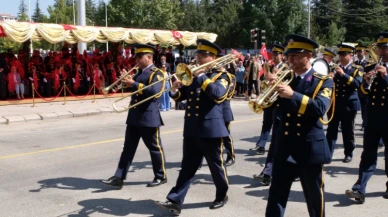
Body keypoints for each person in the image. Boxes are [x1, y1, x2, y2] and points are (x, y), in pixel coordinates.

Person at [155, 39, 230, 215]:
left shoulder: (222, 76)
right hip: (192, 129)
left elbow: (217, 95)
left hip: (211, 131)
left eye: (203, 55)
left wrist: (202, 76)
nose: (198, 58)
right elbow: (183, 96)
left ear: (212, 57)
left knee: (216, 167)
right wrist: (174, 90)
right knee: (187, 167)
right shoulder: (194, 75)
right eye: (198, 54)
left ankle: (222, 195)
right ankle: (175, 200)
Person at [265, 34, 334, 217]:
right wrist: (269, 88)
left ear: (309, 56)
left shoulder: (323, 80)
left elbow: (320, 108)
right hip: (285, 145)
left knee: (314, 197)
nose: (290, 59)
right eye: (289, 55)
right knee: (276, 196)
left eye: (295, 55)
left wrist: (292, 95)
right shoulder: (286, 78)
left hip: (309, 147)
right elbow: (271, 108)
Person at [100, 44, 167, 189]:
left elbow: (155, 92)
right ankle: (119, 177)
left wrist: (134, 83)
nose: (136, 59)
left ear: (149, 58)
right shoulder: (139, 72)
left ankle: (160, 176)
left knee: (155, 148)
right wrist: (124, 81)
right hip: (134, 116)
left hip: (148, 117)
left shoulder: (158, 73)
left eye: (139, 57)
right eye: (136, 56)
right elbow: (132, 87)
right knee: (128, 148)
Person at [345, 32, 388, 204]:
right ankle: (359, 189)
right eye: (380, 48)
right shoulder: (371, 68)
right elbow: (363, 94)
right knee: (368, 155)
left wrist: (386, 77)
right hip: (373, 119)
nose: (381, 51)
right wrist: (365, 82)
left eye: (385, 48)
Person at [326, 43, 363, 163]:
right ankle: (328, 154)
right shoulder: (333, 69)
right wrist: (328, 78)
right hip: (335, 104)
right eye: (340, 54)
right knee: (331, 131)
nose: (341, 57)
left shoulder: (357, 69)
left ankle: (349, 153)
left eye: (344, 54)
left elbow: (357, 84)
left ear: (350, 55)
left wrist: (344, 75)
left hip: (348, 105)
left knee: (348, 131)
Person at [251, 43, 285, 155]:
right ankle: (261, 145)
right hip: (269, 99)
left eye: (276, 54)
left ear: (282, 55)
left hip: (278, 100)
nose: (274, 56)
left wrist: (276, 75)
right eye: (273, 54)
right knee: (266, 123)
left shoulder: (285, 68)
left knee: (277, 126)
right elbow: (266, 82)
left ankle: (275, 148)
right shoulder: (270, 66)